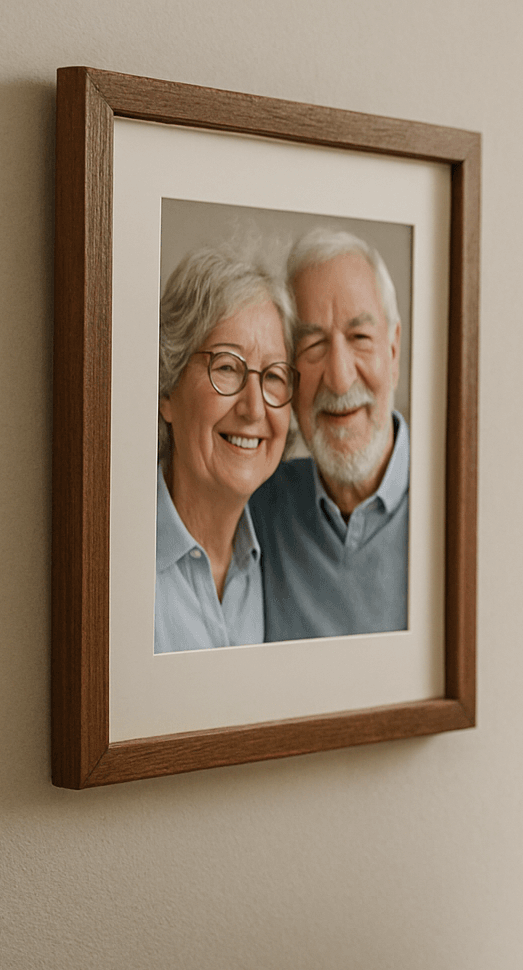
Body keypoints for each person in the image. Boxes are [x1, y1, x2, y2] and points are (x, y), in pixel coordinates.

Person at [249, 228, 409, 640]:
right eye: (314, 345)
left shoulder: (460, 505)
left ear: (393, 353)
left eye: (360, 338)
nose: (339, 380)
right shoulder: (256, 509)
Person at [155, 247, 296, 654]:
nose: (254, 409)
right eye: (228, 367)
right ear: (168, 389)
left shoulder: (281, 555)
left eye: (273, 376)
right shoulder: (113, 560)